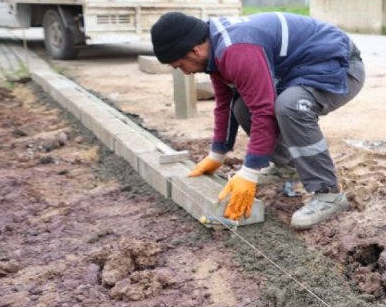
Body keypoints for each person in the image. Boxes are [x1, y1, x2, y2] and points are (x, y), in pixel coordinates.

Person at [150, 11, 365, 229]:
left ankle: (329, 193)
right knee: (242, 108)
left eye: (179, 66)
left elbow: (264, 111)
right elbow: (225, 104)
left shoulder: (237, 50)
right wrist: (217, 154)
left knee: (290, 106)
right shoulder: (214, 50)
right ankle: (287, 166)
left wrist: (250, 171)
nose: (185, 73)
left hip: (339, 65)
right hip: (300, 68)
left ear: (194, 50)